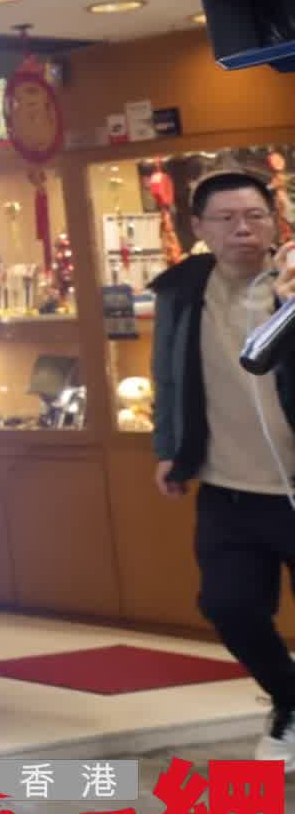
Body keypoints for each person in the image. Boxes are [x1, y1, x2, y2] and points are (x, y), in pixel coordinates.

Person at [152, 169, 295, 761]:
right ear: (199, 228)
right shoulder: (183, 292)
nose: (243, 229)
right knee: (228, 605)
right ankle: (289, 700)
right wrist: (169, 449)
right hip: (227, 490)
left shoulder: (289, 284)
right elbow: (168, 375)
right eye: (227, 219)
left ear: (274, 221)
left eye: (255, 216)